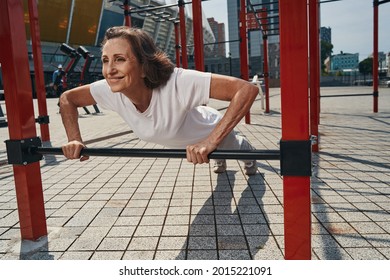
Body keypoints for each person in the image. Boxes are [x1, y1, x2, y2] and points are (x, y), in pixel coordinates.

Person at [59, 26, 259, 175]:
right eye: (105, 60)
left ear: (144, 66)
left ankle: (247, 154)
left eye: (119, 59)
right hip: (192, 142)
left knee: (233, 148)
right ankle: (218, 160)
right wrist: (74, 138)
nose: (109, 70)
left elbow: (246, 89)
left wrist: (211, 141)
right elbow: (68, 99)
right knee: (213, 154)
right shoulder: (110, 89)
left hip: (211, 128)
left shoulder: (178, 82)